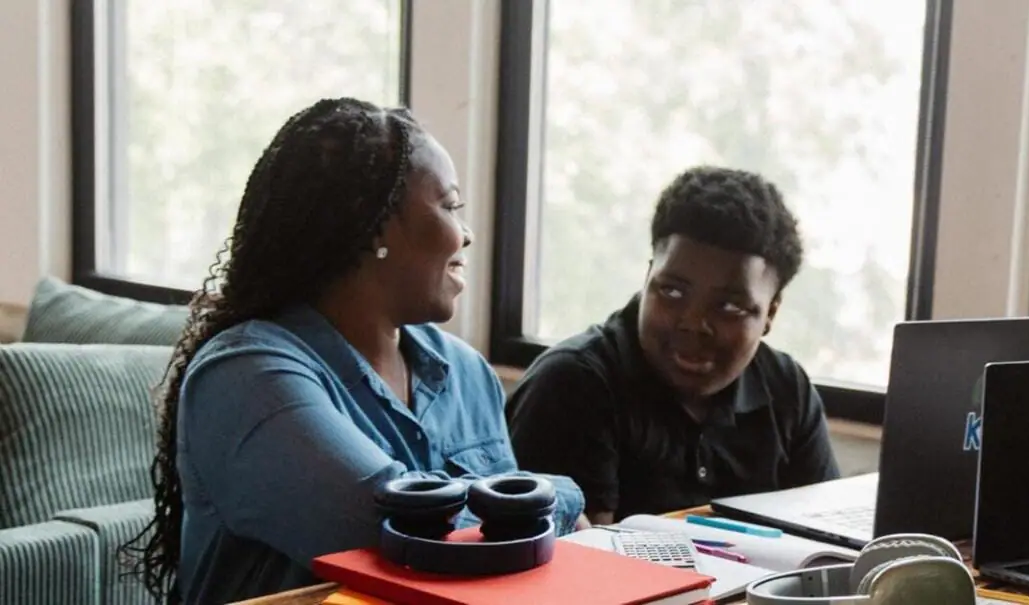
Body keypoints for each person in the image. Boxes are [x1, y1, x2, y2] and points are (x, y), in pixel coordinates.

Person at [123, 98, 586, 604]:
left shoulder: (466, 371)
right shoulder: (245, 378)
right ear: (375, 230)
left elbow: (510, 564)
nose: (467, 234)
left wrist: (535, 514)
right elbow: (403, 539)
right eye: (450, 206)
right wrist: (562, 498)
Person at [507, 165, 839, 524]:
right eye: (672, 291)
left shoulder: (787, 389)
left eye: (729, 307)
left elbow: (824, 538)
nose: (693, 324)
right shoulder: (572, 384)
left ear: (770, 312)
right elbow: (580, 553)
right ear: (648, 275)